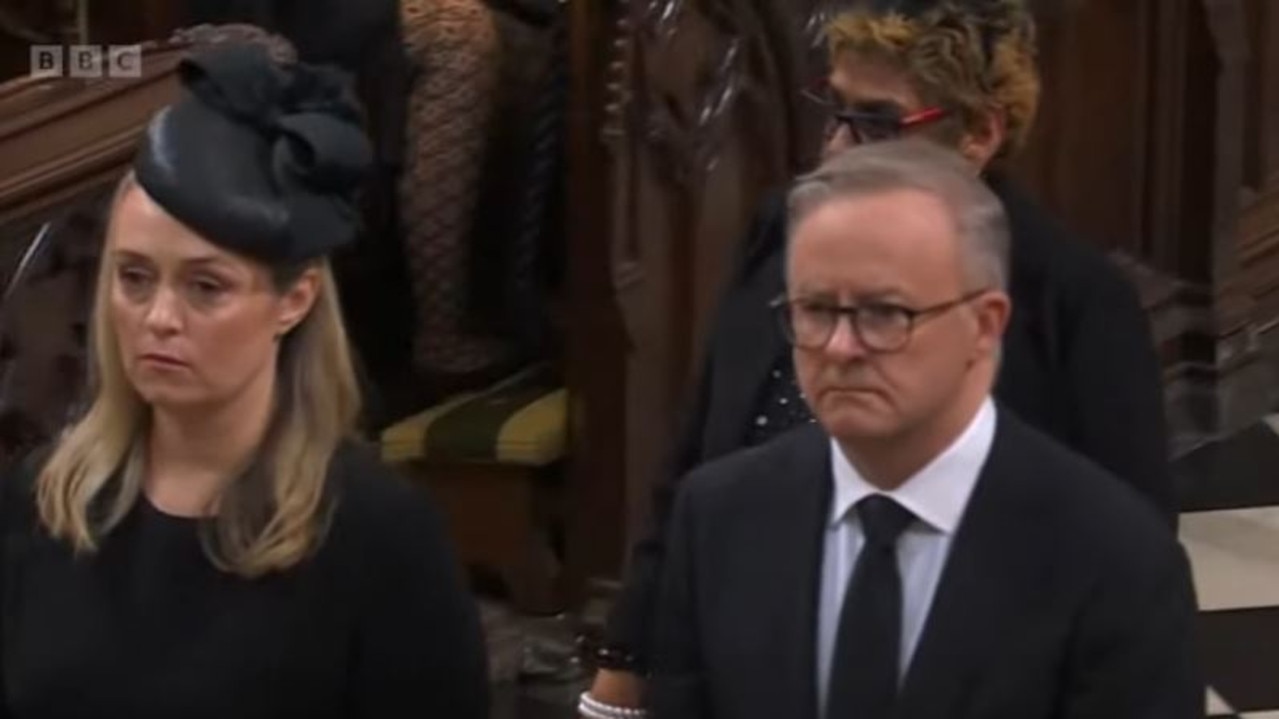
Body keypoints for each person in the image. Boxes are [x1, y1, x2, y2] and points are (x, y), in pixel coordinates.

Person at [583, 0, 1174, 711]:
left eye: (877, 122)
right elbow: (692, 464)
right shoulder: (784, 231)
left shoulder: (1074, 298)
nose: (837, 146)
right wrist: (622, 666)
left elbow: (1124, 551)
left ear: (978, 133)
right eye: (833, 110)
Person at [0, 44, 489, 718]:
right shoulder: (39, 498)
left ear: (295, 300)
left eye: (206, 286)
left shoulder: (379, 535)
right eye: (134, 278)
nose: (159, 319)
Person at [647, 138, 1200, 719]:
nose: (839, 347)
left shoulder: (1115, 559)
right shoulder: (718, 518)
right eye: (814, 310)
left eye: (885, 313)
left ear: (985, 326)